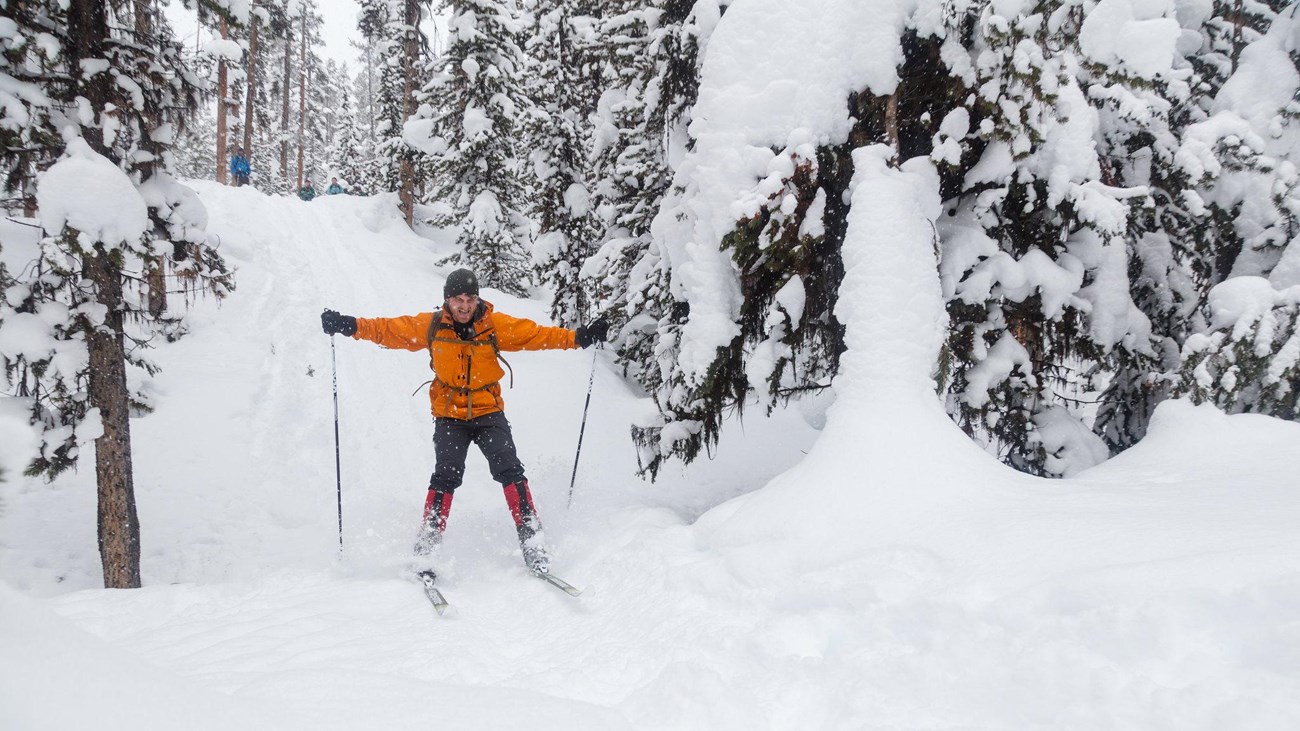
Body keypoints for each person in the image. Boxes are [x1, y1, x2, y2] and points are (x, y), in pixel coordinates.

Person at [320, 269, 609, 575]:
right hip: (449, 415)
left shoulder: (493, 326)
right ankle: (429, 541)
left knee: (509, 468)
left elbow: (537, 335)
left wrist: (579, 338)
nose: (464, 306)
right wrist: (349, 325)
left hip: (488, 411)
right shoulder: (432, 326)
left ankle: (531, 535)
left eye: (470, 299)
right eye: (458, 299)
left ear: (477, 299)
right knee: (446, 474)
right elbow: (389, 330)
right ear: (448, 300)